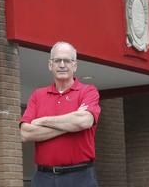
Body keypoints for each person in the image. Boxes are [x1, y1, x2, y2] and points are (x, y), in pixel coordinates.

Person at [20, 41, 101, 187]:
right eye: (57, 60)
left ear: (74, 66)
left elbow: (83, 122)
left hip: (80, 177)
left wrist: (41, 120)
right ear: (50, 65)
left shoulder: (88, 91)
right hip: (43, 178)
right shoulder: (38, 95)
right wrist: (70, 124)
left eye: (67, 60)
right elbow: (25, 134)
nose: (62, 65)